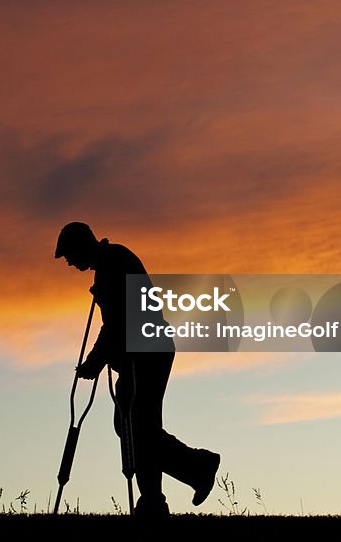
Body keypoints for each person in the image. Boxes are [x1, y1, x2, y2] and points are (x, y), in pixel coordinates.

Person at [55, 221, 220, 517]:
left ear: (82, 246)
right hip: (137, 355)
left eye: (69, 255)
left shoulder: (114, 262)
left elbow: (117, 323)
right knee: (131, 426)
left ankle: (162, 494)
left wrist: (95, 361)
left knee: (139, 426)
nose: (69, 262)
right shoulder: (109, 264)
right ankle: (186, 475)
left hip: (148, 353)